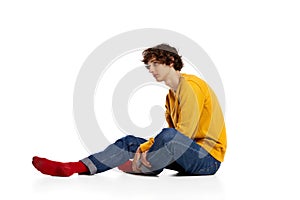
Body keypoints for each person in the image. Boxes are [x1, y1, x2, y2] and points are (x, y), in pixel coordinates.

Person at [32, 43, 227, 177]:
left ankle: (143, 167)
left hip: (207, 160)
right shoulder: (170, 97)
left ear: (170, 62)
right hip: (183, 157)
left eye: (155, 64)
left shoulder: (191, 86)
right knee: (129, 142)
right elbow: (175, 141)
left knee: (168, 136)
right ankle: (75, 167)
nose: (151, 69)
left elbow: (183, 134)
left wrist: (146, 148)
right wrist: (147, 147)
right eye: (148, 66)